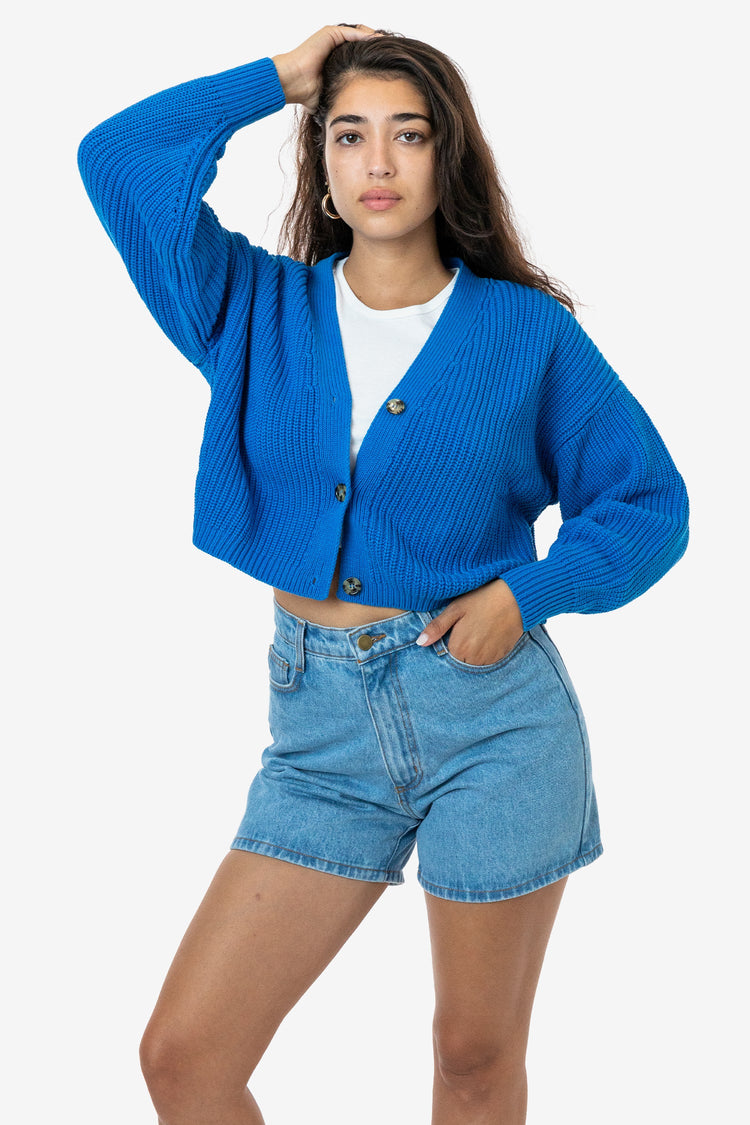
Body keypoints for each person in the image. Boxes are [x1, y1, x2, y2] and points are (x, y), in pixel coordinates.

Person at [77, 22, 689, 1125]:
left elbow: (648, 504)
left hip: (492, 721)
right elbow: (117, 159)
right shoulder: (251, 309)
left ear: (449, 155)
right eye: (349, 134)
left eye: (409, 135)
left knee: (472, 1057)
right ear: (318, 159)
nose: (378, 162)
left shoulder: (524, 333)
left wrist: (528, 594)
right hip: (319, 737)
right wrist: (281, 77)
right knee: (184, 1057)